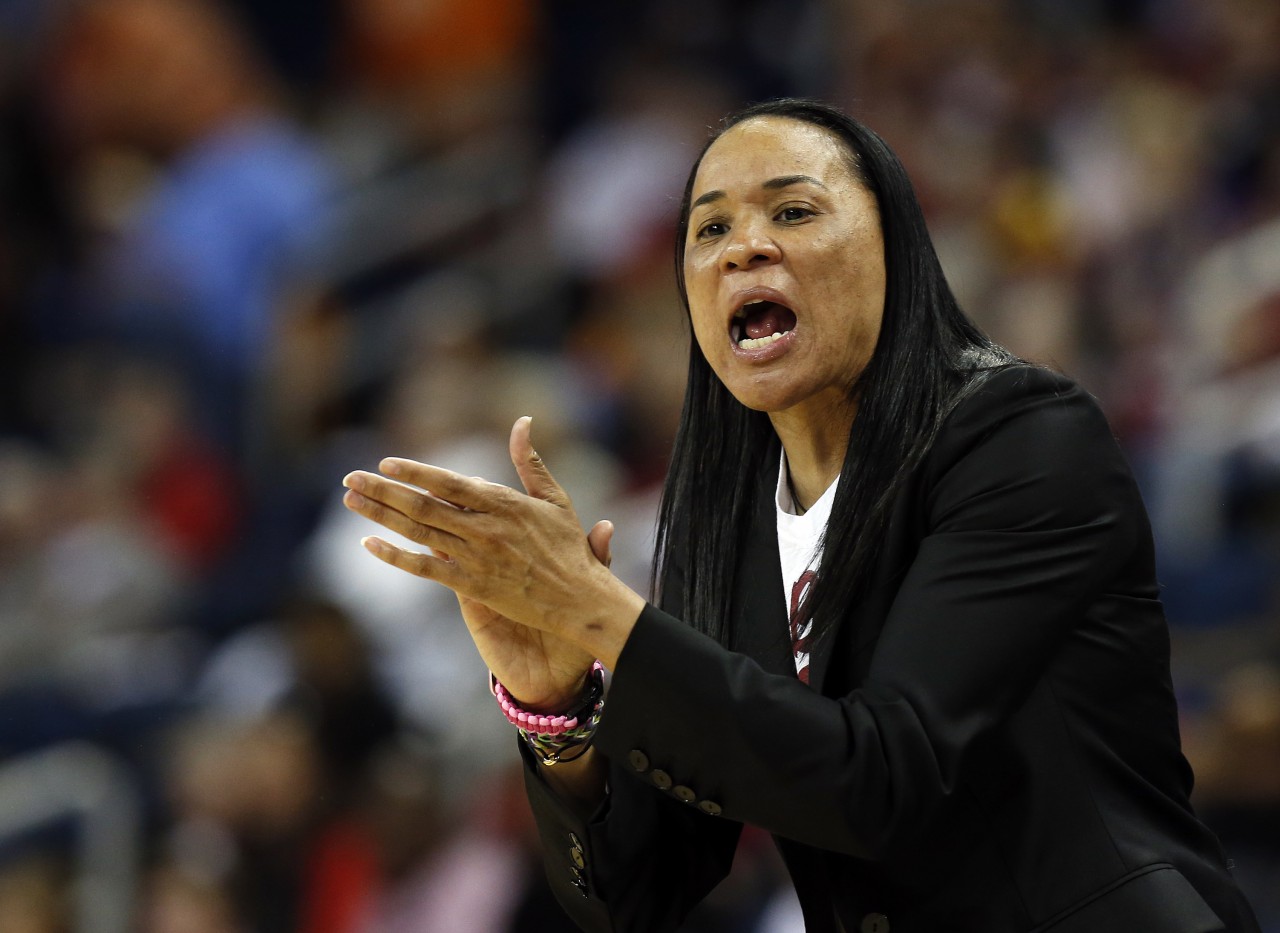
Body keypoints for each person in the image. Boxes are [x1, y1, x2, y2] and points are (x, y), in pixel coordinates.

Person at [341, 99, 1261, 932]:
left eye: (792, 210)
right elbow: (636, 895)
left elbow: (881, 780)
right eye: (709, 229)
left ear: (896, 248)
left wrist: (596, 610)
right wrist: (560, 708)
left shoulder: (1020, 438)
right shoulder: (725, 524)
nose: (744, 246)